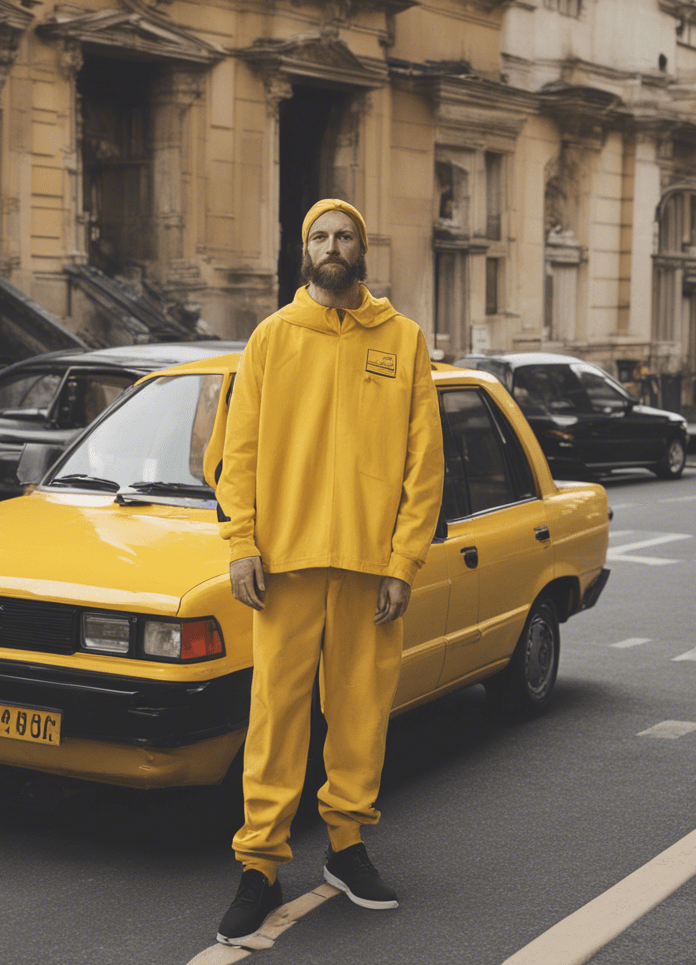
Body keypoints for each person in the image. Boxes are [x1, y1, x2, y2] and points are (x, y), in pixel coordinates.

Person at [214, 198, 444, 947]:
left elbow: (424, 465)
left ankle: (347, 848)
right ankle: (260, 864)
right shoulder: (271, 339)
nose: (332, 246)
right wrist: (241, 543)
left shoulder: (404, 342)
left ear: (363, 248)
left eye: (344, 236)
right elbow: (235, 455)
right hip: (283, 564)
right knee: (275, 717)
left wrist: (404, 561)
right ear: (303, 249)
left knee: (359, 715)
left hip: (370, 568)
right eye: (320, 236)